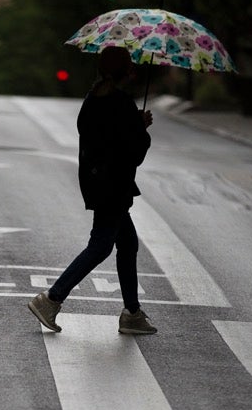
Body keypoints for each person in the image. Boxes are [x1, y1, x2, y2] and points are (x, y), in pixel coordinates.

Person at [28, 45, 157, 335]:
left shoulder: (92, 100)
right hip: (114, 186)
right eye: (130, 66)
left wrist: (134, 126)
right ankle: (51, 299)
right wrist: (141, 129)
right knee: (101, 246)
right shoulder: (121, 103)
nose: (134, 70)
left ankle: (132, 313)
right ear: (126, 72)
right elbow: (132, 153)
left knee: (128, 244)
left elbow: (102, 138)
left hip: (97, 182)